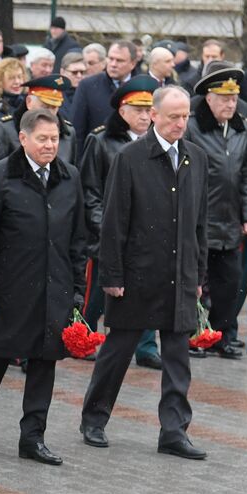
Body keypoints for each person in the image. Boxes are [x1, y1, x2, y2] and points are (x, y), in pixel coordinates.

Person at [80, 85, 209, 460]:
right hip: (137, 274)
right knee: (117, 352)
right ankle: (94, 418)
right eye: (172, 116)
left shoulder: (196, 158)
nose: (180, 124)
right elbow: (115, 221)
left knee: (177, 358)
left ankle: (174, 430)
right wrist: (112, 276)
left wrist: (199, 275)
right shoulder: (130, 157)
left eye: (185, 116)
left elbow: (200, 221)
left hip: (180, 274)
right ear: (153, 115)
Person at [0, 108, 88, 465]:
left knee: (44, 361)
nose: (50, 146)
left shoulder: (69, 177)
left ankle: (33, 436)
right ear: (23, 138)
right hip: (9, 288)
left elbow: (78, 238)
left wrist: (76, 289)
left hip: (55, 288)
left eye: (55, 139)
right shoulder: (0, 176)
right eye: (43, 139)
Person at [78, 76, 160, 370]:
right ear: (122, 111)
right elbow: (90, 191)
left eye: (148, 109)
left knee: (147, 291)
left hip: (146, 236)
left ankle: (147, 346)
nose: (143, 116)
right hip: (108, 234)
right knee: (100, 291)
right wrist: (107, 228)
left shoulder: (157, 143)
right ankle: (86, 336)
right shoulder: (100, 141)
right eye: (137, 109)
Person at [185, 67, 247, 358]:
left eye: (234, 98)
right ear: (209, 98)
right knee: (198, 282)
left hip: (230, 221)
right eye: (224, 99)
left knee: (229, 282)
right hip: (201, 220)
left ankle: (223, 335)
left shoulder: (241, 128)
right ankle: (196, 334)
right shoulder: (192, 127)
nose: (231, 105)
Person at [68, 40, 138, 160]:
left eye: (119, 60)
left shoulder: (142, 87)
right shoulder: (88, 86)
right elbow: (77, 132)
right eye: (110, 59)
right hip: (97, 161)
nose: (113, 64)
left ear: (133, 63)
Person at [0, 74, 75, 164]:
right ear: (29, 102)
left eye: (54, 107)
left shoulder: (68, 132)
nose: (50, 113)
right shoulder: (5, 129)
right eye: (45, 107)